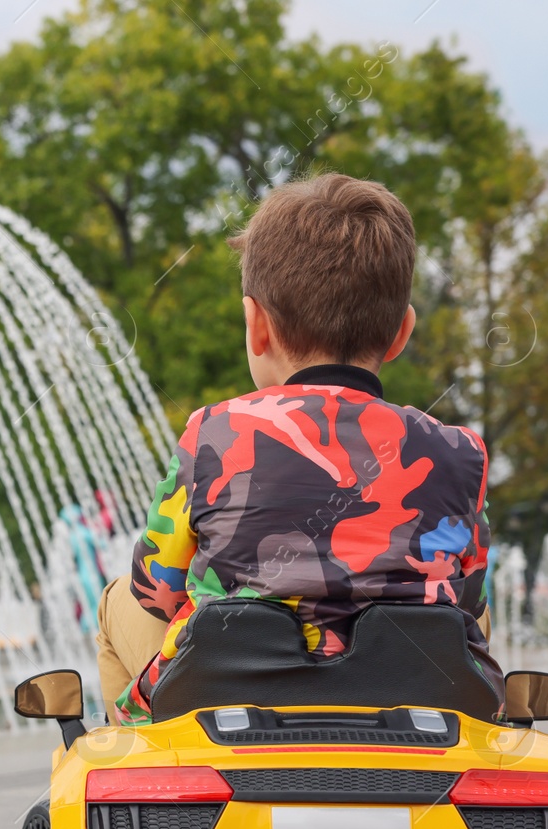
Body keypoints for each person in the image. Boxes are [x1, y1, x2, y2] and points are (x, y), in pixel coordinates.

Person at [97, 173, 497, 725]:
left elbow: (156, 592)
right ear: (401, 332)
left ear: (255, 324)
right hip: (416, 696)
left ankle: (137, 760)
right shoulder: (459, 452)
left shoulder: (213, 433)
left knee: (119, 595)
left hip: (222, 696)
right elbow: (471, 603)